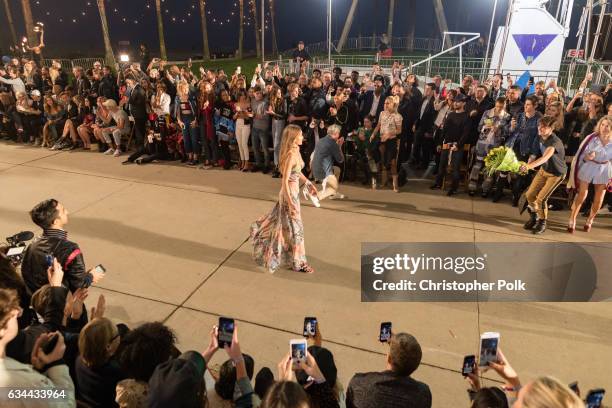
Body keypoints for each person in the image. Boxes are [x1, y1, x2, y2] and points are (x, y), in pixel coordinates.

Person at [250, 124, 318, 274]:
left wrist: (307, 182)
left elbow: (297, 172)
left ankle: (292, 259)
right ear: (293, 138)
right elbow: (285, 181)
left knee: (287, 228)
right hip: (289, 194)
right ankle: (299, 262)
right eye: (300, 135)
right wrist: (291, 203)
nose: (302, 137)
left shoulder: (296, 151)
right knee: (297, 230)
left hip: (292, 193)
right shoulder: (290, 155)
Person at [0, 288, 77, 407]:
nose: (19, 312)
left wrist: (37, 369)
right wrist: (55, 364)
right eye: (13, 315)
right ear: (1, 330)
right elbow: (65, 403)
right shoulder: (21, 383)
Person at [21, 199, 104, 295]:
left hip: (36, 301)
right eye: (64, 211)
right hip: (60, 303)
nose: (67, 212)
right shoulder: (71, 249)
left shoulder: (33, 244)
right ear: (55, 221)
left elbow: (26, 274)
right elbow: (79, 284)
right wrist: (91, 276)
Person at [346, 332, 431, 408]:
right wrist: (397, 344)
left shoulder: (359, 384)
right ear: (416, 366)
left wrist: (395, 344)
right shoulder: (422, 395)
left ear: (389, 358)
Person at [520, 116, 567, 235]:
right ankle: (534, 217)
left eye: (544, 127)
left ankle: (542, 222)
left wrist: (529, 167)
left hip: (556, 174)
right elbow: (536, 154)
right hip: (543, 170)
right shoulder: (540, 137)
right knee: (529, 195)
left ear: (551, 129)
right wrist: (528, 163)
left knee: (541, 198)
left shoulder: (555, 142)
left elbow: (545, 157)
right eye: (539, 126)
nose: (540, 128)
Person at [567, 115, 612, 233]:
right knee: (582, 195)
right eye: (602, 124)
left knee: (598, 199)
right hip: (589, 166)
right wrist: (587, 158)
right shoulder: (591, 138)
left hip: (604, 169)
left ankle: (590, 219)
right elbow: (580, 155)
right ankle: (572, 219)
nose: (604, 127)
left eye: (607, 125)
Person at [76, 317, 125, 407]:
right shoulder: (118, 373)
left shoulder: (79, 361)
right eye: (117, 334)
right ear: (108, 347)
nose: (120, 336)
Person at [468, 97, 510, 197]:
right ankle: (472, 187)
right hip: (482, 143)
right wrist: (485, 128)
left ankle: (485, 189)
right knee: (477, 166)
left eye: (502, 107)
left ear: (505, 106)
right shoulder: (487, 113)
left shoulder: (507, 116)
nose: (499, 109)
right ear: (495, 104)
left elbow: (506, 133)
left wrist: (498, 131)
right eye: (498, 106)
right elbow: (479, 127)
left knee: (490, 168)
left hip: (495, 145)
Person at [431, 93, 471, 196]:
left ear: (463, 103)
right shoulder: (451, 114)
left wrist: (458, 145)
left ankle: (454, 188)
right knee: (441, 165)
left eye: (458, 101)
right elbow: (444, 130)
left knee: (455, 168)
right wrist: (440, 143)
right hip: (446, 143)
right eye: (455, 101)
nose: (456, 103)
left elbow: (465, 134)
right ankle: (438, 183)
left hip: (457, 146)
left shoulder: (466, 117)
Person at [371, 96, 403, 192]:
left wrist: (389, 134)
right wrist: (373, 134)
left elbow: (399, 130)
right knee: (381, 159)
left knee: (392, 162)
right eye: (385, 103)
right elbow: (378, 125)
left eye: (387, 103)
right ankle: (383, 181)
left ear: (393, 104)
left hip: (391, 140)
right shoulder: (382, 113)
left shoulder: (397, 116)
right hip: (382, 139)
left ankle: (395, 184)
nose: (385, 105)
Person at [311, 124, 345, 202]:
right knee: (334, 188)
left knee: (337, 170)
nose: (339, 135)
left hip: (315, 168)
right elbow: (341, 160)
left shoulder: (321, 140)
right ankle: (317, 196)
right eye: (338, 133)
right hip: (324, 172)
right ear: (336, 134)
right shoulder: (333, 144)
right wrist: (339, 147)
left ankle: (333, 194)